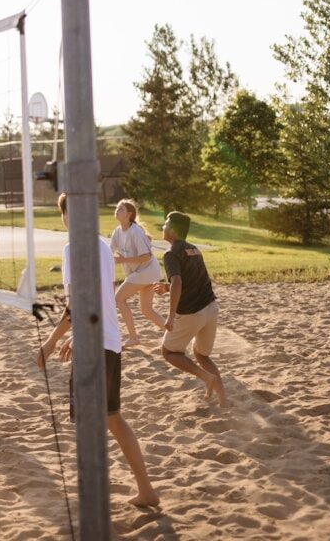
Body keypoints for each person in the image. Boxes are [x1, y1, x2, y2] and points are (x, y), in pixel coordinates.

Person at [37, 193, 160, 508]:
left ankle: (95, 505)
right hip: (109, 342)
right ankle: (146, 490)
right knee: (114, 419)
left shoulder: (72, 248)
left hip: (93, 346)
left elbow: (76, 304)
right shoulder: (103, 245)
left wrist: (51, 343)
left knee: (89, 426)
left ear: (66, 216)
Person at [154, 211, 228, 408]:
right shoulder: (194, 249)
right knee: (202, 355)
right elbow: (189, 281)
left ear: (173, 230)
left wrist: (170, 316)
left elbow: (178, 281)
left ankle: (206, 377)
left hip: (191, 313)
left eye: (166, 224)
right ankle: (224, 401)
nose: (163, 227)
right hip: (211, 308)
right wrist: (167, 287)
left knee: (169, 352)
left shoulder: (170, 254)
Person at [110, 199, 165, 349]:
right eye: (117, 208)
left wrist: (123, 260)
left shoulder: (135, 231)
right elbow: (109, 251)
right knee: (146, 310)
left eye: (120, 209)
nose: (117, 210)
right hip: (144, 273)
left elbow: (146, 256)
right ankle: (173, 333)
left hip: (147, 271)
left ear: (129, 214)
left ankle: (133, 338)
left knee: (119, 299)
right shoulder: (117, 231)